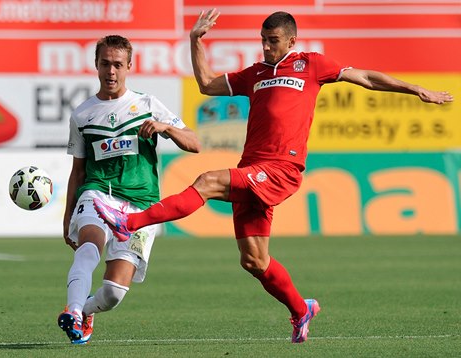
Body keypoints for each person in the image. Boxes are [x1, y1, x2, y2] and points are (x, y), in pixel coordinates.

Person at [94, 9, 454, 343]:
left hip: (281, 169)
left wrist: (415, 89)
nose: (266, 47)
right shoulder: (256, 73)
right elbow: (205, 83)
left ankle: (131, 222)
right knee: (254, 260)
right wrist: (195, 41)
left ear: (292, 41)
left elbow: (366, 78)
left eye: (273, 41)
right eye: (263, 40)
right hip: (253, 168)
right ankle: (302, 309)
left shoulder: (311, 65)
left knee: (207, 181)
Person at [58, 34, 200, 344]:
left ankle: (86, 310)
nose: (111, 71)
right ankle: (73, 310)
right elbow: (78, 171)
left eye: (118, 65)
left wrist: (167, 129)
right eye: (105, 64)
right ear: (96, 65)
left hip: (139, 207)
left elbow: (196, 143)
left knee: (113, 293)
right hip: (97, 193)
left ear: (129, 66)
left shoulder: (148, 105)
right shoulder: (82, 115)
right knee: (88, 248)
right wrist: (67, 217)